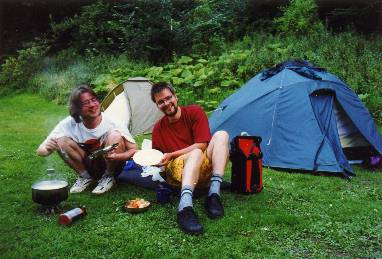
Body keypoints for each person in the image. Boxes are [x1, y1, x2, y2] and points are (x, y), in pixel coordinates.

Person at [151, 82, 229, 235]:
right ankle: (185, 207)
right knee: (195, 153)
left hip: (202, 167)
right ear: (157, 105)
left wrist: (173, 153)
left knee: (222, 135)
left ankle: (214, 195)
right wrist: (156, 160)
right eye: (161, 101)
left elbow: (201, 145)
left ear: (175, 96)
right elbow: (158, 160)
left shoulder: (194, 112)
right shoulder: (158, 129)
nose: (166, 103)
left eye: (168, 98)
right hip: (178, 171)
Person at [36, 84, 137, 194]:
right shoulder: (68, 124)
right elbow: (41, 150)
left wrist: (117, 156)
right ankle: (85, 177)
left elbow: (133, 150)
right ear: (76, 108)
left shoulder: (114, 121)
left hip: (111, 165)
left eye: (94, 100)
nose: (92, 105)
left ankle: (108, 177)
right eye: (85, 103)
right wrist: (48, 149)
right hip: (87, 165)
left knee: (115, 135)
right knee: (61, 140)